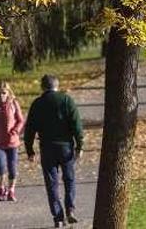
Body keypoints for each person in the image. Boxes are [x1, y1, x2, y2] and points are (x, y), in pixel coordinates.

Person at [24, 74, 84, 228]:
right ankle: (70, 208)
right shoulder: (66, 100)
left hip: (47, 148)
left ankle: (58, 217)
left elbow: (29, 129)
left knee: (52, 183)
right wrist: (80, 145)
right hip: (65, 147)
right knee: (69, 179)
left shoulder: (37, 104)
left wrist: (30, 150)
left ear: (42, 87)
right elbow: (76, 124)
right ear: (57, 85)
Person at [0, 81, 25, 202]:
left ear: (8, 93)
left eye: (4, 93)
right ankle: (2, 188)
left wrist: (15, 131)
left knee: (12, 168)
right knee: (0, 166)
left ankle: (11, 190)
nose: (1, 95)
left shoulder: (13, 103)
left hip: (12, 142)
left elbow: (20, 120)